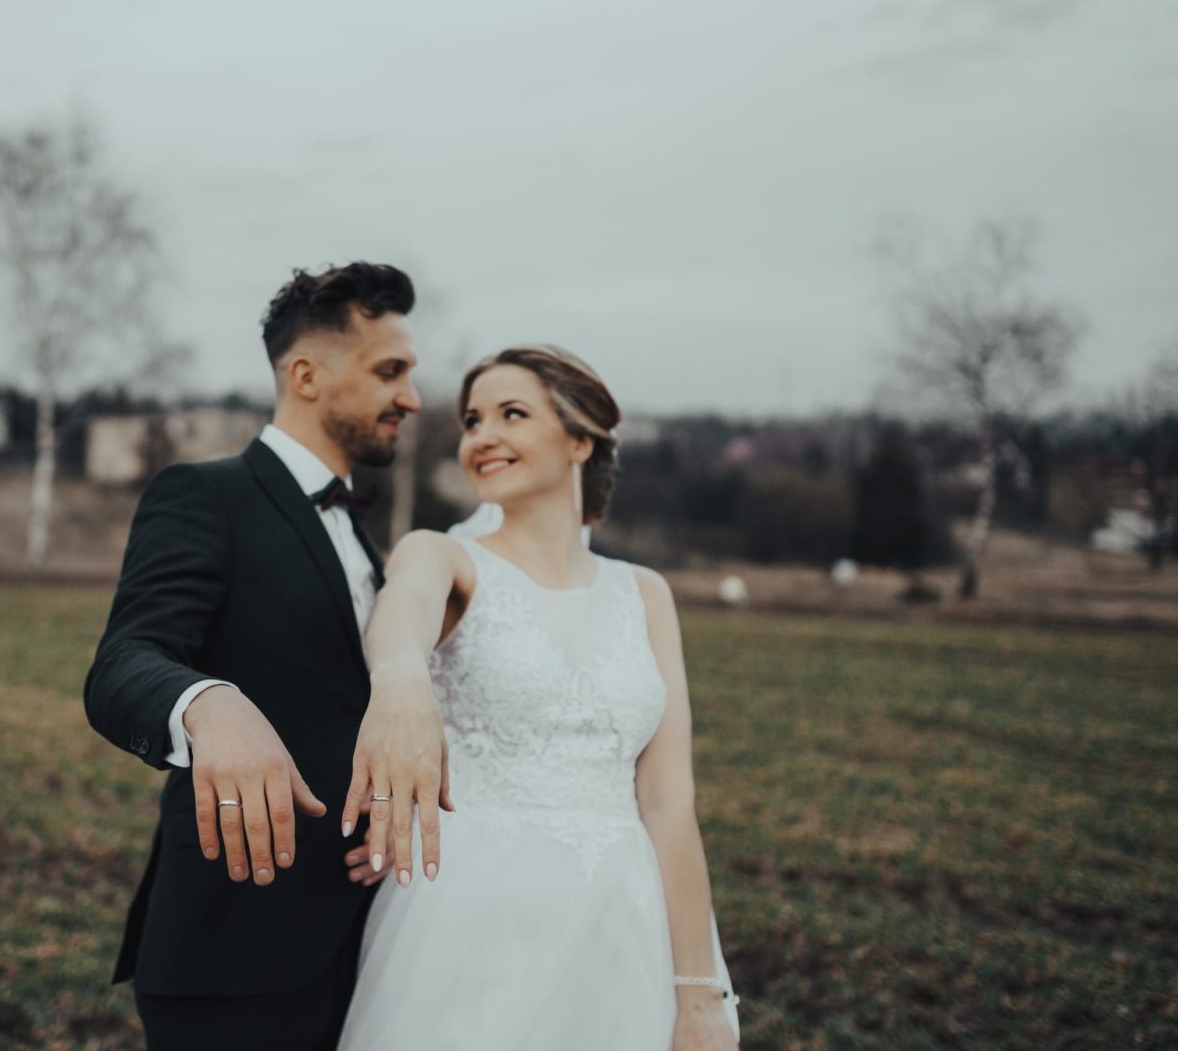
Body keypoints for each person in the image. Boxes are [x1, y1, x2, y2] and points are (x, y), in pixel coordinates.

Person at [337, 346, 741, 1050]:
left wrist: (700, 992)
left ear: (580, 440)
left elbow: (669, 804)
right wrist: (400, 681)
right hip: (471, 919)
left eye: (511, 414)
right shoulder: (444, 556)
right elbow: (404, 608)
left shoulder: (645, 594)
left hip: (623, 924)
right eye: (472, 421)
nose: (482, 437)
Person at [82, 262, 432, 1050]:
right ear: (306, 376)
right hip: (235, 953)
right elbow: (125, 660)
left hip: (364, 945)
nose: (410, 398)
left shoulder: (363, 537)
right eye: (390, 372)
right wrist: (206, 704)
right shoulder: (204, 495)